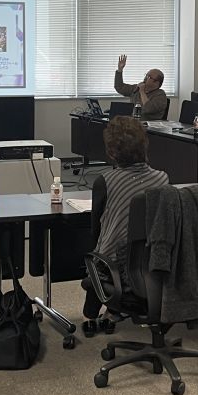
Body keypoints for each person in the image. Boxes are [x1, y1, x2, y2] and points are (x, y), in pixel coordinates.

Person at [81, 116, 170, 331]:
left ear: (112, 151)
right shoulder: (163, 179)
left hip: (119, 270)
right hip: (157, 265)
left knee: (100, 252)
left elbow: (96, 231)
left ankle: (91, 315)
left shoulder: (106, 181)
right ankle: (113, 311)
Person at [113, 55, 168, 120]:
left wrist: (142, 91)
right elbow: (119, 87)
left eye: (149, 77)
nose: (145, 78)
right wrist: (120, 70)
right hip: (133, 122)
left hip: (149, 124)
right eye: (146, 75)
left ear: (156, 83)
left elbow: (148, 109)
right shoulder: (137, 88)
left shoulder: (160, 95)